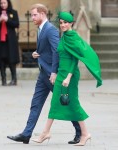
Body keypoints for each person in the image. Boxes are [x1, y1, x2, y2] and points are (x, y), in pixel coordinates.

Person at [7, 4, 81, 144]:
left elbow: (56, 51)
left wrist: (54, 72)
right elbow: (47, 50)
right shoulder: (41, 29)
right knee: (36, 103)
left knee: (66, 102)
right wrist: (37, 54)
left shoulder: (50, 30)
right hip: (43, 74)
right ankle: (26, 134)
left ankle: (80, 132)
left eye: (34, 15)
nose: (32, 18)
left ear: (42, 14)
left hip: (52, 76)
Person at [32, 12, 102, 146]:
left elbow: (75, 59)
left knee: (73, 103)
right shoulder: (64, 37)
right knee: (55, 102)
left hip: (69, 75)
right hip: (61, 74)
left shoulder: (73, 37)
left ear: (71, 24)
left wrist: (68, 77)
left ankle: (85, 134)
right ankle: (46, 132)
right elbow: (58, 55)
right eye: (61, 22)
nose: (63, 25)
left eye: (66, 22)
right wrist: (55, 72)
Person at [0, 0, 20, 86]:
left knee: (11, 59)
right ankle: (3, 80)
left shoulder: (13, 12)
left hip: (10, 40)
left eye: (4, 3)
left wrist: (7, 20)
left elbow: (16, 24)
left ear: (8, 3)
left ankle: (14, 79)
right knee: (1, 59)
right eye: (1, 3)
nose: (3, 5)